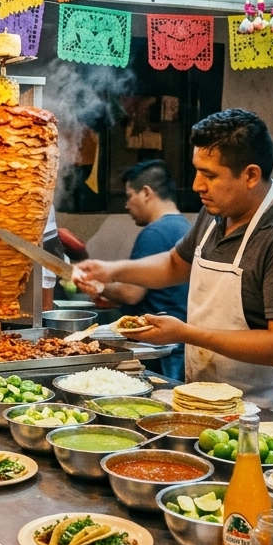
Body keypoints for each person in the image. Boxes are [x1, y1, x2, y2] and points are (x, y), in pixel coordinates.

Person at [74, 110, 273, 420]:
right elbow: (174, 265)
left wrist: (186, 333)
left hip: (268, 414)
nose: (197, 185)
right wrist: (111, 270)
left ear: (250, 175)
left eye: (209, 175)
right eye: (197, 171)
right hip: (201, 400)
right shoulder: (215, 215)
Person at [83, 161, 191, 382]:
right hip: (178, 347)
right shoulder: (185, 227)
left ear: (146, 193)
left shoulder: (155, 232)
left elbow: (131, 293)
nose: (126, 205)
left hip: (158, 349)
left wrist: (96, 284)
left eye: (129, 195)